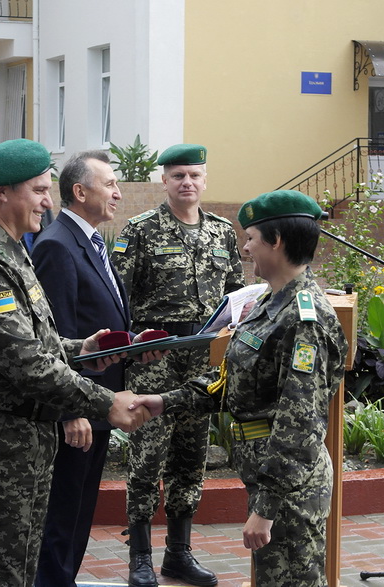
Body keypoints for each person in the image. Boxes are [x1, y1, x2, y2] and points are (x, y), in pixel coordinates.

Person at [0, 138, 152, 587]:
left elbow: (38, 341)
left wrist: (83, 349)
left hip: (25, 442)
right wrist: (104, 401)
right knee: (0, 573)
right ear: (3, 192)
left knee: (27, 566)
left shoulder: (12, 249)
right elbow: (26, 363)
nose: (48, 201)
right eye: (38, 191)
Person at [131, 189, 348, 587]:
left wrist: (265, 508)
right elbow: (229, 383)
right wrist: (163, 401)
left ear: (276, 241)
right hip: (269, 478)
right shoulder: (270, 303)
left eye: (250, 238)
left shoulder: (305, 318)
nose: (245, 249)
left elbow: (299, 423)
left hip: (288, 490)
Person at [111, 143, 245, 587]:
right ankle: (140, 558)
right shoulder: (141, 229)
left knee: (191, 458)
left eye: (194, 175)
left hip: (202, 360)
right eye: (177, 176)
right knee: (147, 458)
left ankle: (179, 554)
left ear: (205, 180)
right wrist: (129, 348)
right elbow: (118, 297)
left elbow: (235, 295)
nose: (186, 182)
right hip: (156, 355)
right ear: (164, 181)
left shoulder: (224, 232)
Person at [31, 150, 131, 587]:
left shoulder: (90, 239)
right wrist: (70, 411)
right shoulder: (56, 244)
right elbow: (57, 338)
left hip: (99, 403)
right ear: (79, 191)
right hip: (78, 410)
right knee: (63, 513)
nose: (118, 192)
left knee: (80, 513)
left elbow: (97, 320)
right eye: (109, 184)